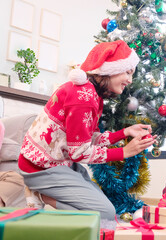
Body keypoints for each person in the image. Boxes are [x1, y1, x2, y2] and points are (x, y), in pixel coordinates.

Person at [17, 40, 157, 222]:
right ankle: (43, 195)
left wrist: (125, 132)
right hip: (41, 168)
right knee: (104, 214)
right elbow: (78, 152)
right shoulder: (83, 98)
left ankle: (44, 194)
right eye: (128, 72)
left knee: (104, 207)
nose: (130, 81)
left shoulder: (90, 94)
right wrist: (124, 152)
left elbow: (88, 139)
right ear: (110, 69)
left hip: (57, 163)